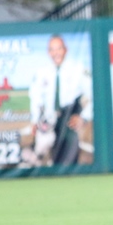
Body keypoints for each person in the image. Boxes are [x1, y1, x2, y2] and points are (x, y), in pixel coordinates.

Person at [28, 34, 93, 166]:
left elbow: (94, 94)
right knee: (46, 161)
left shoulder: (78, 70)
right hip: (49, 124)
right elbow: (35, 98)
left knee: (68, 162)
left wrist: (84, 117)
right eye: (52, 49)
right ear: (48, 52)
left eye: (59, 48)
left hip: (68, 122)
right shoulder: (42, 73)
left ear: (65, 50)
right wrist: (35, 120)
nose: (55, 53)